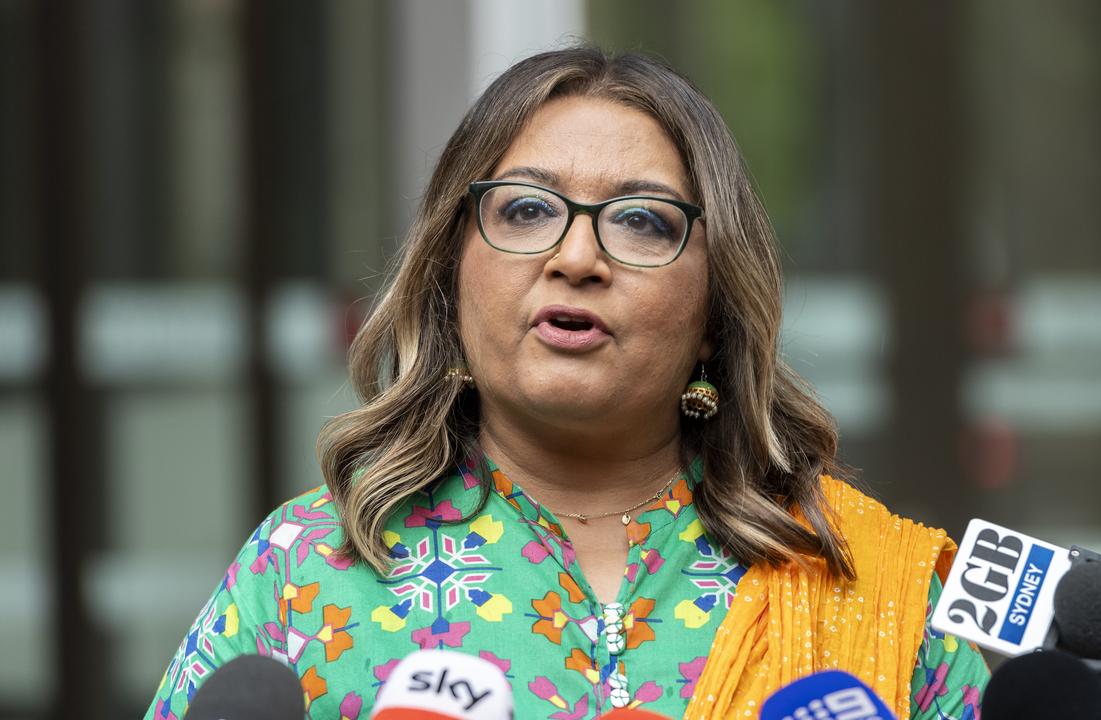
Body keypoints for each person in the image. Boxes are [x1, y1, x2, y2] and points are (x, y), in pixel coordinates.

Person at [147, 46, 987, 719]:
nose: (576, 257)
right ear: (451, 274)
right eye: (525, 210)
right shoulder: (306, 572)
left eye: (641, 221)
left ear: (714, 310)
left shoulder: (859, 579)